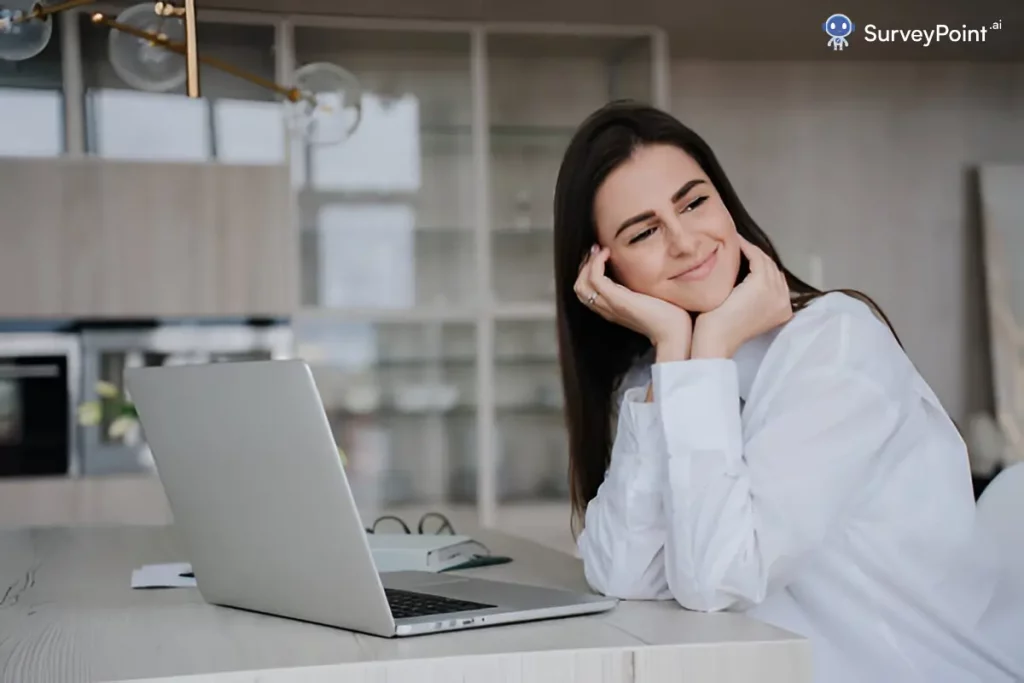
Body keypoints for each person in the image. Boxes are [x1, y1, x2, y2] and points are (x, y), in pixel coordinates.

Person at [552, 100, 1024, 683]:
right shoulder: (660, 372)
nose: (684, 241)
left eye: (695, 202)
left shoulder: (834, 343)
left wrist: (711, 344)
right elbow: (623, 573)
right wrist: (679, 346)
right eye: (644, 232)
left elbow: (719, 578)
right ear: (607, 271)